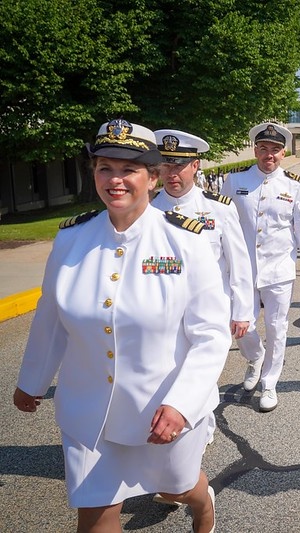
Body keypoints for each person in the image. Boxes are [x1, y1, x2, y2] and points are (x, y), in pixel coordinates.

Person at [13, 119, 228, 532]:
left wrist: (182, 403)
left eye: (128, 170)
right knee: (95, 514)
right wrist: (33, 379)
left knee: (179, 488)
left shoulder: (184, 242)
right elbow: (52, 316)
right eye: (104, 168)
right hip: (88, 410)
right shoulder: (71, 240)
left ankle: (202, 504)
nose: (115, 180)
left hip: (162, 409)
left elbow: (210, 335)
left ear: (153, 177)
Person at [151, 128, 253, 457]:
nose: (172, 173)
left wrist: (243, 311)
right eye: (165, 165)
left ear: (196, 166)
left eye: (179, 165)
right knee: (170, 369)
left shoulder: (218, 209)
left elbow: (239, 263)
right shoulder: (147, 210)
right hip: (163, 309)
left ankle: (199, 430)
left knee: (202, 369)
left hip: (211, 309)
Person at [220, 122, 300, 413]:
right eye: (264, 149)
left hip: (278, 270)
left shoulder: (294, 186)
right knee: (242, 326)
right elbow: (224, 226)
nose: (269, 155)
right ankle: (255, 358)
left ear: (283, 153)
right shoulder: (234, 181)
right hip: (242, 269)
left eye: (275, 150)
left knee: (277, 328)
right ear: (255, 150)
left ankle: (269, 383)